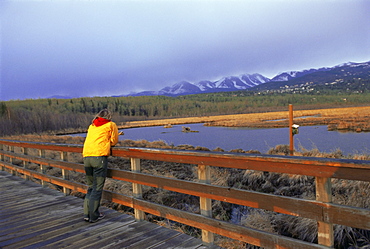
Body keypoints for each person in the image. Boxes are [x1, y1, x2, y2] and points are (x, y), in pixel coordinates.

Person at [82, 109, 121, 223]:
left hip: (87, 157)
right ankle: (94, 216)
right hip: (99, 158)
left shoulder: (92, 126)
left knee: (90, 187)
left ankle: (86, 213)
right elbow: (114, 141)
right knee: (97, 188)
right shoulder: (110, 125)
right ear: (109, 116)